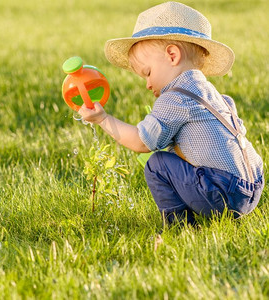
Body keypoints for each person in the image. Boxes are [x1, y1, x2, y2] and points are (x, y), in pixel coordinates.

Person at [78, 1, 264, 226]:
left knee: (157, 164)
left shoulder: (175, 97)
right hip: (253, 186)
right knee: (175, 155)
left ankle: (180, 226)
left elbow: (140, 142)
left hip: (223, 193)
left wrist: (103, 119)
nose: (147, 84)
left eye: (147, 73)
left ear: (172, 55)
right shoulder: (210, 93)